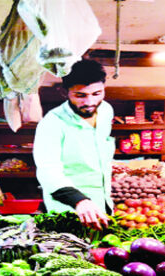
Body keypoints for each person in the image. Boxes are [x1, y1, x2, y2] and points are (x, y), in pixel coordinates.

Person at [33, 59, 114, 230]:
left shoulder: (106, 110)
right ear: (64, 92)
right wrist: (80, 201)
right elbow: (48, 170)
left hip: (103, 203)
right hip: (68, 208)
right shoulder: (52, 123)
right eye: (80, 95)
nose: (90, 102)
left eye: (97, 93)